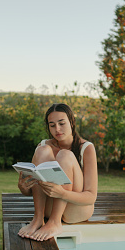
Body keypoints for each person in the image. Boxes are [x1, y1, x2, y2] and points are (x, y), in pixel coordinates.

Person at [17, 103, 98, 241]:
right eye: (52, 125)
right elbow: (34, 188)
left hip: (76, 209)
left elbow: (91, 197)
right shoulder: (44, 146)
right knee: (42, 150)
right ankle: (38, 219)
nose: (57, 129)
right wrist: (23, 188)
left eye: (62, 123)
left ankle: (55, 222)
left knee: (65, 155)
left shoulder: (86, 148)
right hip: (49, 207)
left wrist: (62, 193)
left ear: (71, 122)